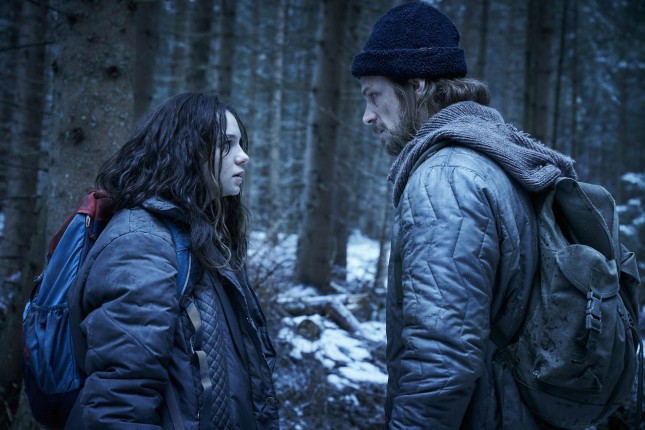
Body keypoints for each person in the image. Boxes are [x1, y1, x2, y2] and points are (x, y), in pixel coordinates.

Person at [351, 2, 578, 429]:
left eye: (373, 96)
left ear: (417, 85)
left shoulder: (446, 178)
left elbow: (441, 360)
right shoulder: (495, 155)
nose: (367, 116)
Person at [66, 93, 279, 429]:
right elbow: (120, 401)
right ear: (185, 150)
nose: (243, 156)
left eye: (241, 144)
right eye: (226, 144)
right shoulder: (142, 244)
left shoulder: (199, 235)